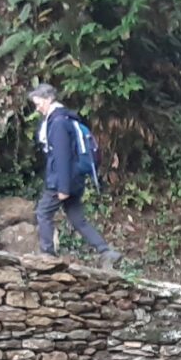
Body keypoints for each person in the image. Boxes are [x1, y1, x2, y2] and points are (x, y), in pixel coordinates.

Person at [30, 85, 118, 264]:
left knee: (43, 212)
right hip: (75, 178)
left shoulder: (58, 123)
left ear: (48, 99)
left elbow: (63, 156)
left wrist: (63, 187)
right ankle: (105, 250)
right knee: (78, 219)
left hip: (63, 180)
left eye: (38, 103)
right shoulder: (66, 118)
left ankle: (47, 255)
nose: (37, 108)